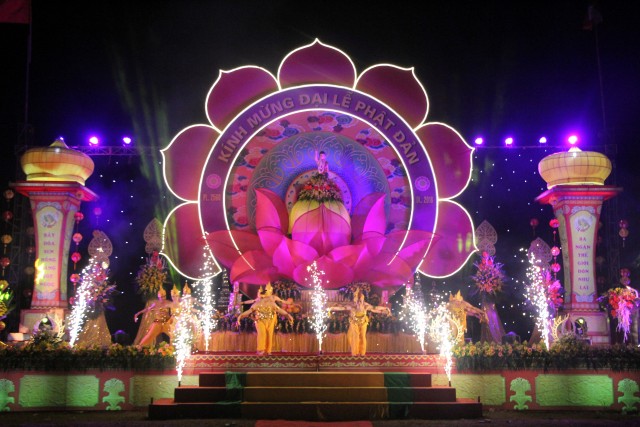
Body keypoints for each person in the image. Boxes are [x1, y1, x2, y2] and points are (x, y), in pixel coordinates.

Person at [328, 289, 391, 356]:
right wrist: (332, 308)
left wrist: (385, 308)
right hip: (354, 322)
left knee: (362, 336)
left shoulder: (366, 306)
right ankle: (355, 353)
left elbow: (375, 308)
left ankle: (362, 353)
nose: (359, 303)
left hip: (363, 322)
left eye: (360, 301)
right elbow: (342, 308)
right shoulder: (352, 307)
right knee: (355, 336)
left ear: (363, 301)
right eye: (358, 301)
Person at [236, 284, 293, 355]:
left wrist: (288, 315)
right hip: (260, 320)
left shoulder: (272, 301)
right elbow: (249, 311)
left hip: (271, 320)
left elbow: (280, 310)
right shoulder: (257, 302)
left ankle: (268, 350)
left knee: (269, 334)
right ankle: (261, 349)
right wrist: (240, 316)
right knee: (262, 334)